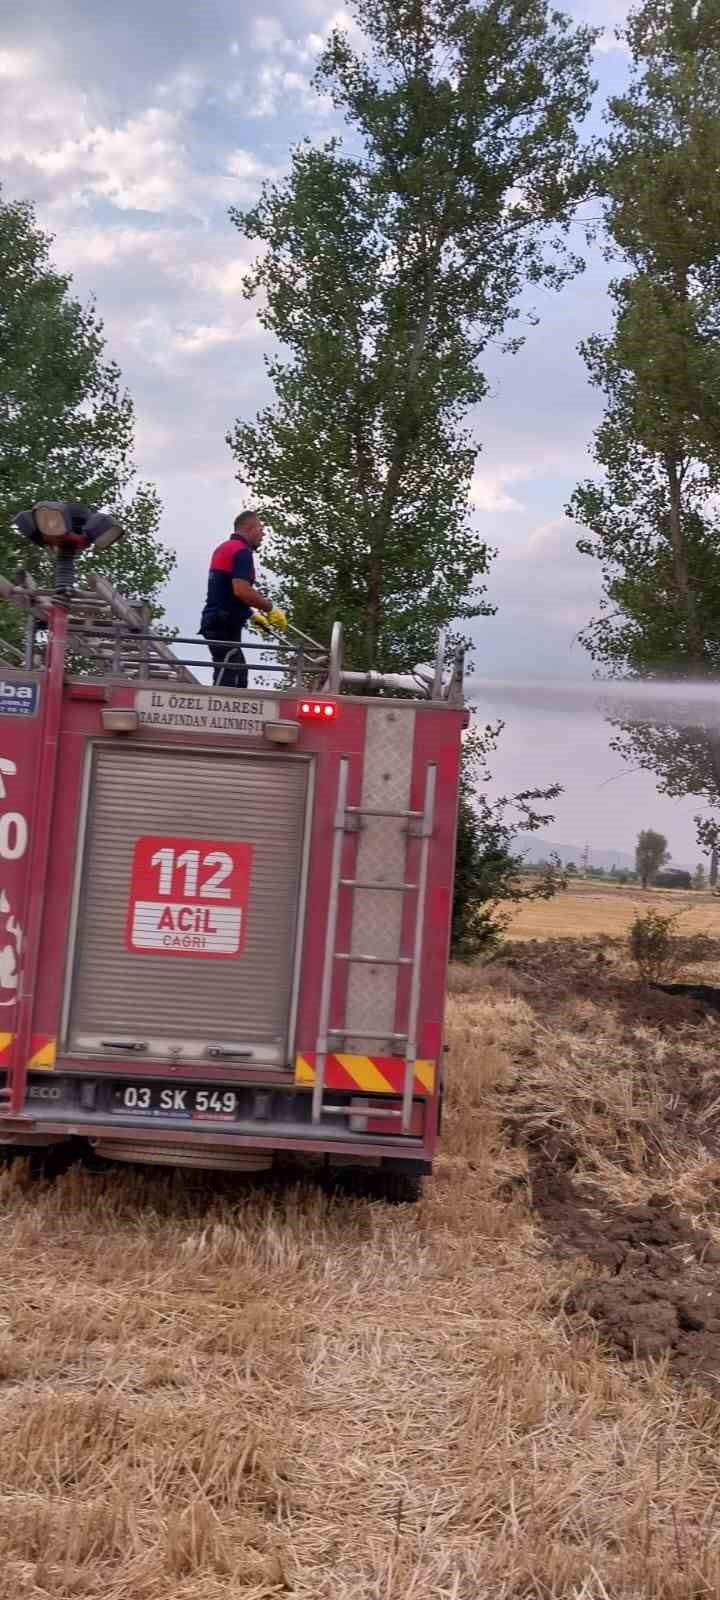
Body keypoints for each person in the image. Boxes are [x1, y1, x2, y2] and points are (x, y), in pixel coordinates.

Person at [199, 510, 286, 689]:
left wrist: (250, 614)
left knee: (234, 673)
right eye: (260, 530)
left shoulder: (224, 548)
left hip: (215, 621)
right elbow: (242, 591)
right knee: (233, 680)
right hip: (223, 624)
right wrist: (270, 609)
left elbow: (224, 592)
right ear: (249, 528)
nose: (263, 535)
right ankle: (222, 714)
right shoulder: (241, 552)